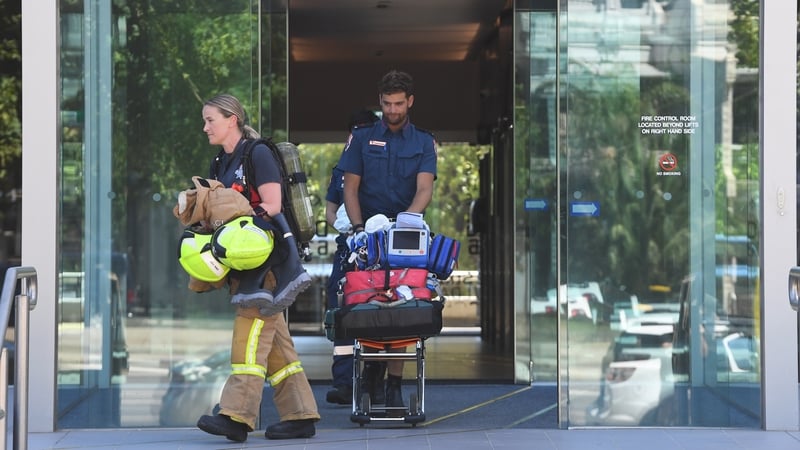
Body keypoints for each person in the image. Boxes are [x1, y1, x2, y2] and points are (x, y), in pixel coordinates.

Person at [194, 94, 320, 442]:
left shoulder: (258, 153)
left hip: (268, 264)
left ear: (231, 119)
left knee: (247, 340)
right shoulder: (220, 161)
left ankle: (236, 415)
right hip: (242, 264)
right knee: (277, 346)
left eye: (210, 120)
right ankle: (300, 415)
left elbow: (272, 204)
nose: (205, 127)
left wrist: (234, 213)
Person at [337, 70, 437, 408]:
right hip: (368, 236)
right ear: (380, 102)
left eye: (398, 103)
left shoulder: (423, 141)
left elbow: (425, 188)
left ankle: (393, 385)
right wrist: (358, 228)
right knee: (368, 306)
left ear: (410, 102)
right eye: (387, 104)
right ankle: (372, 375)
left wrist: (407, 224)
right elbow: (349, 188)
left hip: (406, 234)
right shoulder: (362, 138)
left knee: (403, 311)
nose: (392, 110)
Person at [324, 109, 381, 405]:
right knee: (342, 313)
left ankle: (375, 382)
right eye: (354, 131)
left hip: (378, 250)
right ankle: (345, 383)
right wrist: (342, 225)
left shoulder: (382, 167)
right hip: (348, 248)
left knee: (379, 314)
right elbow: (330, 210)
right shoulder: (341, 170)